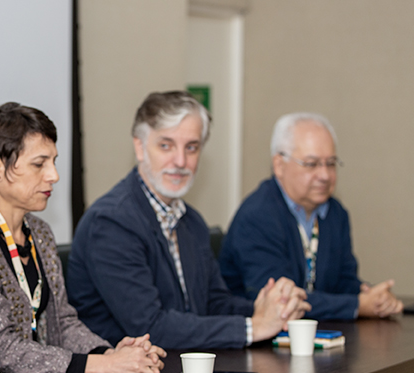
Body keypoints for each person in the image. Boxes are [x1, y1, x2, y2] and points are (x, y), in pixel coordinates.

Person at [0, 102, 166, 373]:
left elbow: (63, 323)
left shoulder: (40, 233)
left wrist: (112, 354)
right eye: (39, 164)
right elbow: (3, 348)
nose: (54, 175)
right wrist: (107, 366)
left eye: (53, 161)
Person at [67, 91, 311, 350]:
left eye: (191, 147)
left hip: (178, 368)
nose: (180, 161)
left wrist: (268, 308)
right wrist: (255, 326)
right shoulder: (111, 222)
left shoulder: (191, 221)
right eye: (166, 146)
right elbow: (151, 328)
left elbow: (214, 304)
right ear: (140, 147)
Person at [219, 112, 403, 319]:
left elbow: (343, 282)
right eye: (311, 164)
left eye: (331, 163)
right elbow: (282, 300)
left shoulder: (335, 213)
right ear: (279, 165)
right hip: (255, 342)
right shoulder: (257, 216)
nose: (325, 175)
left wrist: (373, 297)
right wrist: (357, 305)